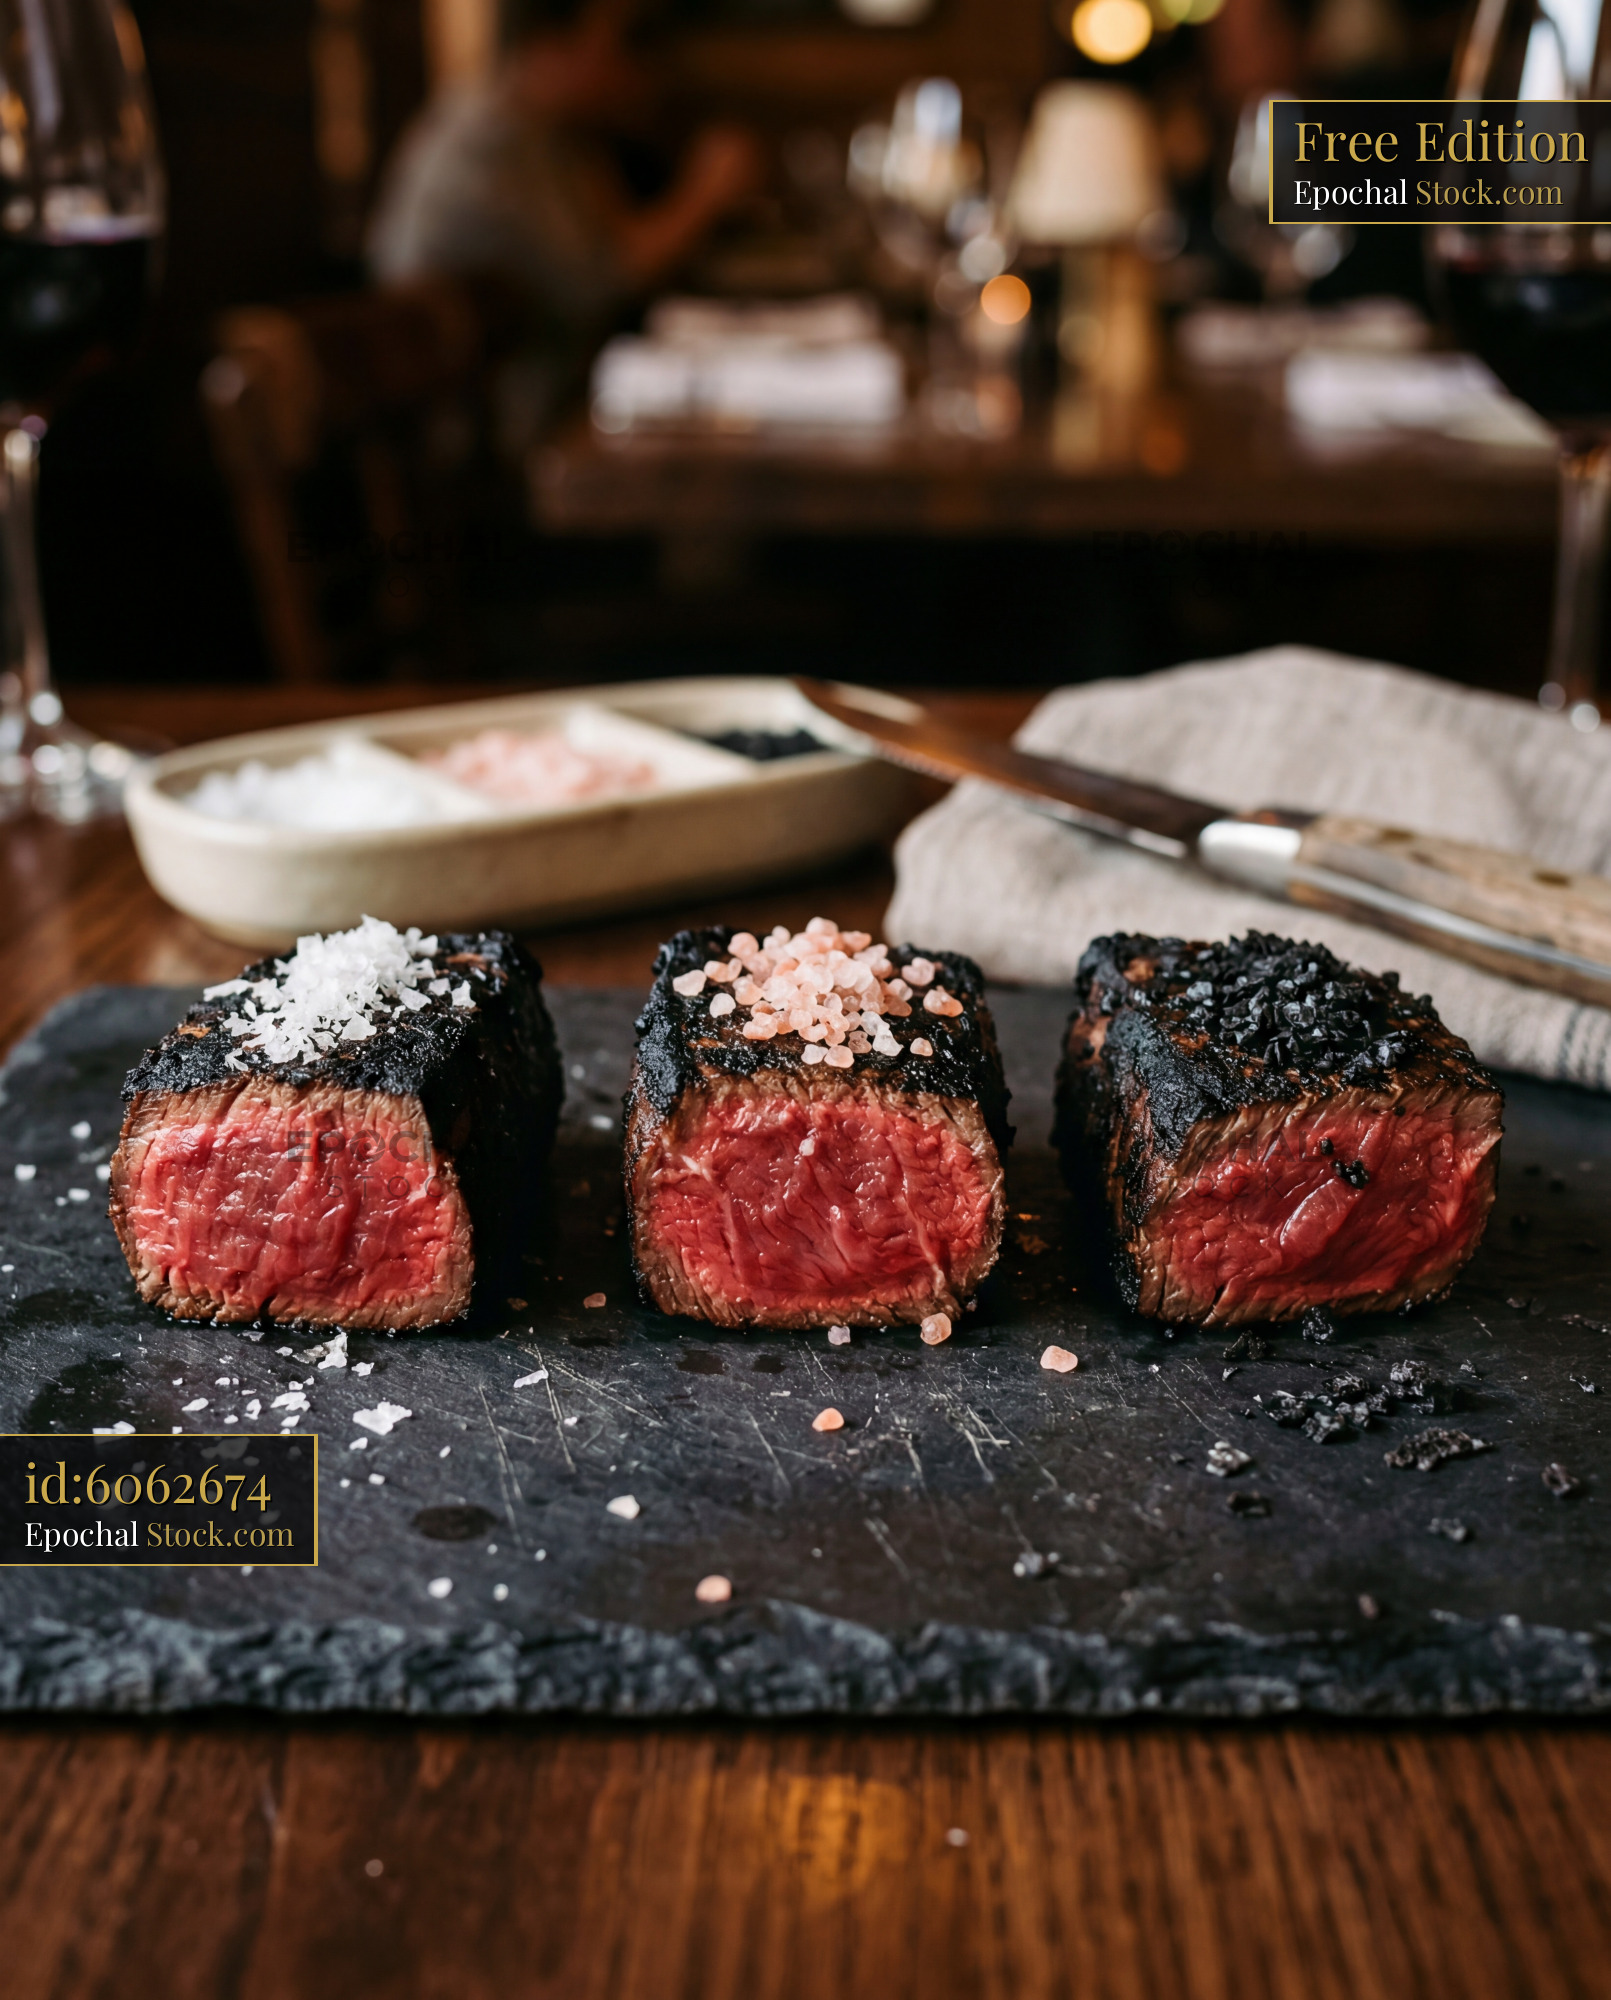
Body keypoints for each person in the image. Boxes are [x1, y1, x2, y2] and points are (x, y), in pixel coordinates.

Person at [367, 0, 761, 436]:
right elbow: (603, 281)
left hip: (528, 429)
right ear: (551, 41)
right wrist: (707, 193)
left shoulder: (548, 135)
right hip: (484, 455)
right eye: (621, 41)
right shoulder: (488, 147)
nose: (637, 69)